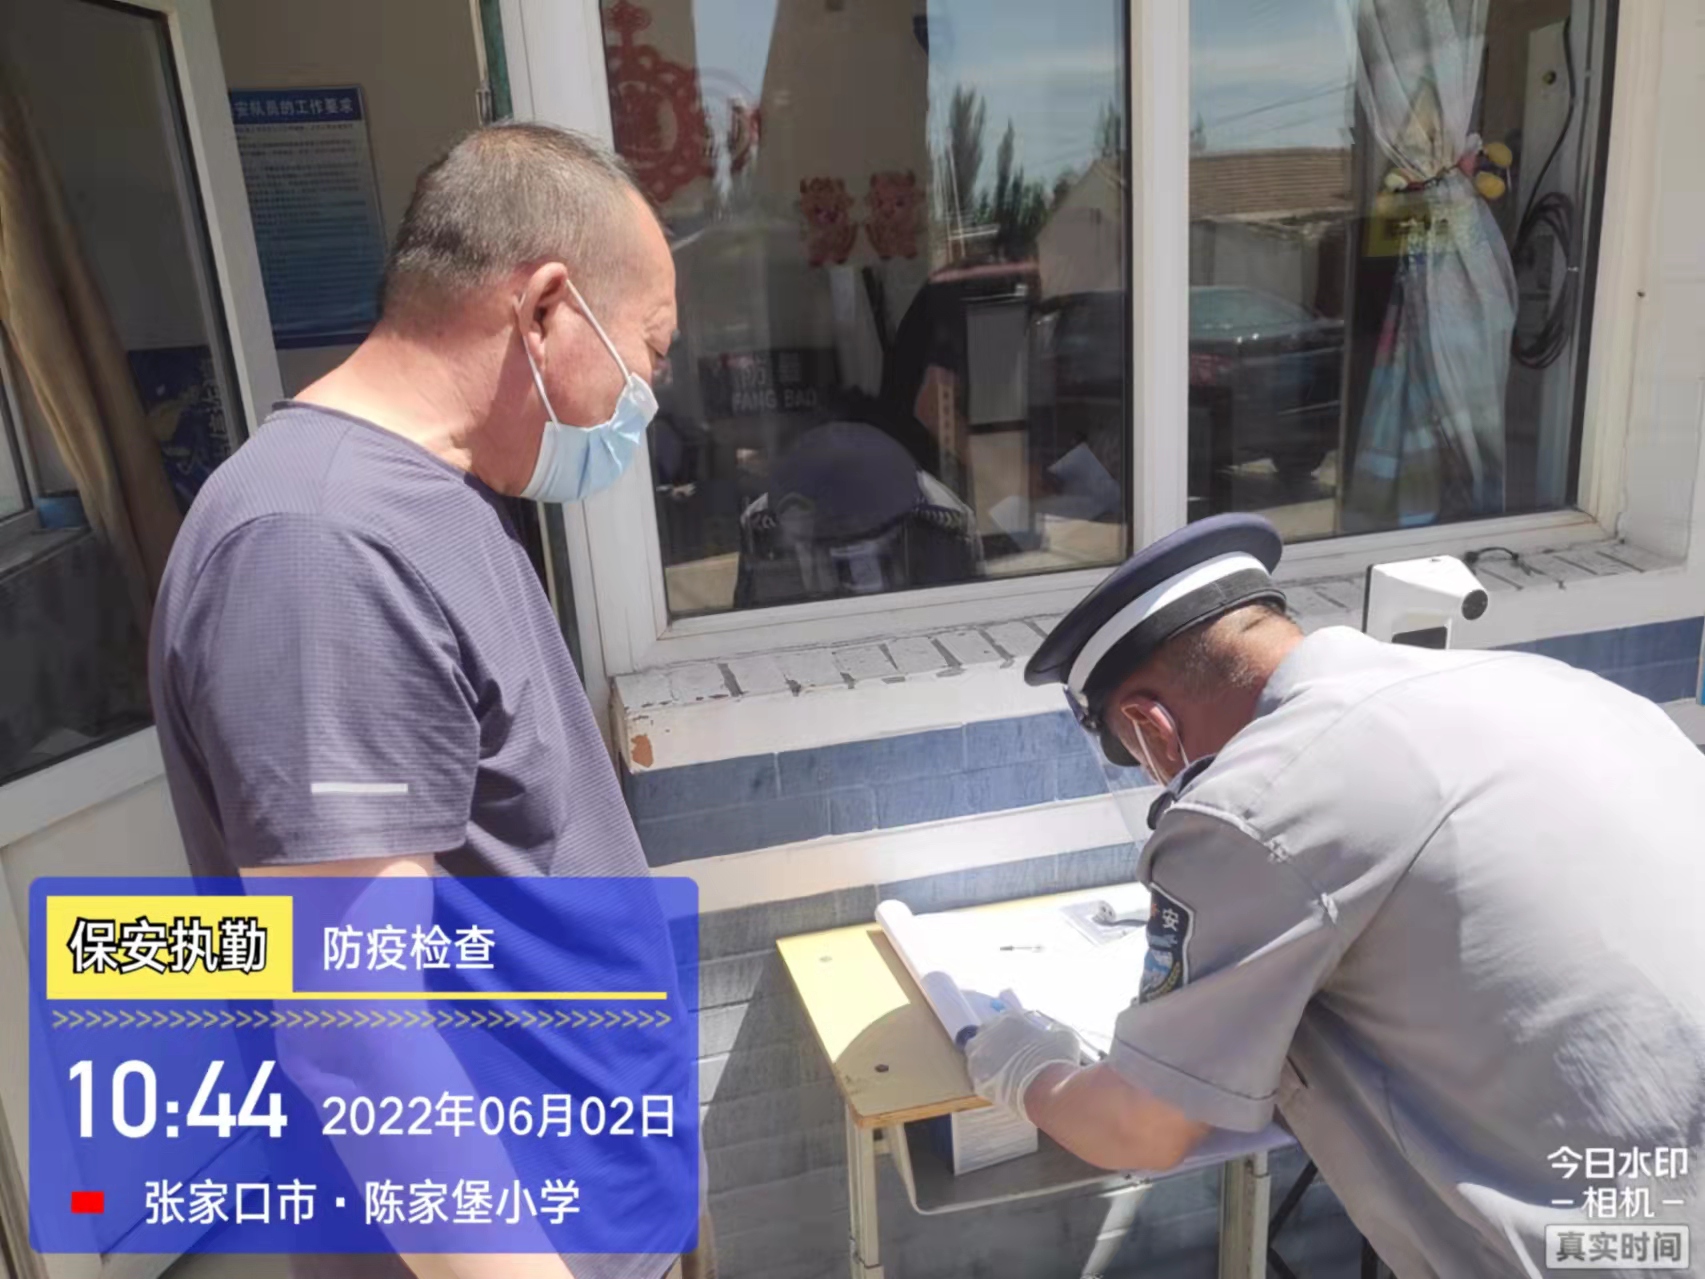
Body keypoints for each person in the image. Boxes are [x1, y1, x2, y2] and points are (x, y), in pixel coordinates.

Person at [148, 125, 704, 1279]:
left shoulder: (424, 501)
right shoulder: (318, 544)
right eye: (648, 350)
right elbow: (353, 1023)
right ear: (544, 308)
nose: (648, 394)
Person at [964, 512, 1705, 1277]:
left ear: (1150, 728)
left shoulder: (1257, 797)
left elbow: (1138, 1128)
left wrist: (1028, 1071)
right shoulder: (1561, 688)